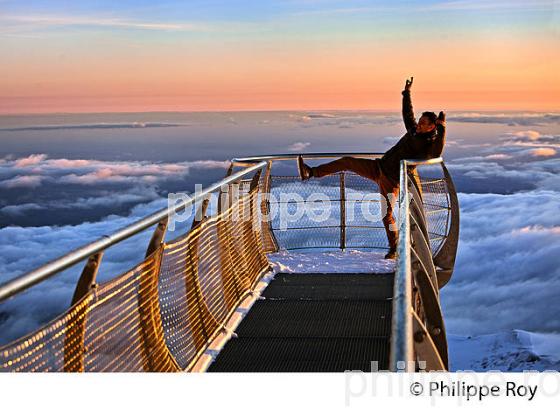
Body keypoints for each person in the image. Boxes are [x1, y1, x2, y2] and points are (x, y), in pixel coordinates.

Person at [297, 77, 446, 259]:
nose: (419, 124)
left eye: (424, 123)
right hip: (378, 167)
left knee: (386, 215)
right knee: (347, 161)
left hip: (391, 180)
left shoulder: (429, 144)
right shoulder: (414, 131)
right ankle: (311, 172)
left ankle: (394, 248)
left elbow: (437, 153)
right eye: (420, 121)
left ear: (432, 126)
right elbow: (408, 113)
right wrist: (406, 92)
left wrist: (443, 129)